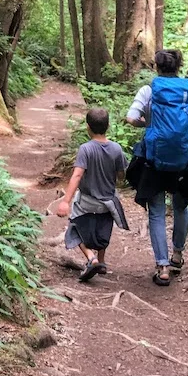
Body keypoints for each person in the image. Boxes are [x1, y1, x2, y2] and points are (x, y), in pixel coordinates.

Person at [126, 49, 188, 286]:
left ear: (157, 67)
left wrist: (148, 124)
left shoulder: (148, 90)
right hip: (182, 161)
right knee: (181, 206)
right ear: (179, 67)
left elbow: (131, 117)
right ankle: (177, 255)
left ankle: (162, 267)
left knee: (156, 213)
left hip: (154, 161)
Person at [55, 107, 129, 282]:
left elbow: (78, 175)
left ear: (88, 127)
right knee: (103, 229)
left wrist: (66, 201)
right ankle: (101, 261)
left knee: (74, 228)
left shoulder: (85, 149)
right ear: (108, 126)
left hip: (87, 201)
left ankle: (91, 257)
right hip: (107, 203)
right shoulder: (116, 149)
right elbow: (121, 175)